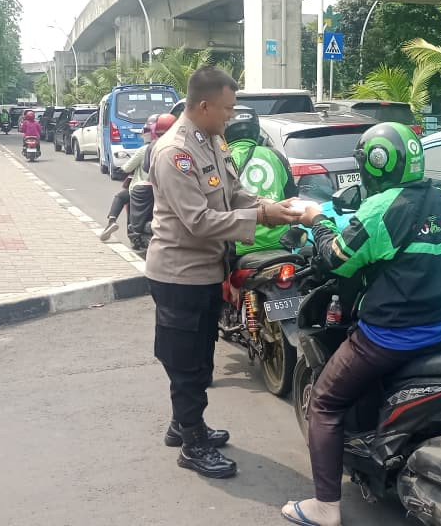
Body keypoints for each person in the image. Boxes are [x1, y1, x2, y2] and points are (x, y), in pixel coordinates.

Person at [282, 122, 441, 526]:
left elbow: (336, 257)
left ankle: (325, 507)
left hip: (388, 338)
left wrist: (317, 218)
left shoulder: (383, 207)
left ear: (375, 165)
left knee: (325, 403)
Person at [146, 66, 302, 479]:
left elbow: (233, 193)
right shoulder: (174, 153)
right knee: (187, 364)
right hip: (179, 274)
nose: (231, 117)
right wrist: (261, 216)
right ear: (203, 106)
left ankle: (186, 424)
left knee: (201, 355)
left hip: (205, 271)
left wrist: (273, 207)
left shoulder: (212, 140)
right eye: (227, 109)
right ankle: (191, 444)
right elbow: (199, 220)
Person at [225, 106, 299, 256]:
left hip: (239, 247)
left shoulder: (223, 159)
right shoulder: (275, 155)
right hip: (280, 242)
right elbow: (291, 194)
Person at [99, 113, 177, 243]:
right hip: (168, 190)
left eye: (146, 130)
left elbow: (127, 168)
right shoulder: (179, 148)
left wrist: (119, 169)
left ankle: (112, 221)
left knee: (120, 196)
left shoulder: (146, 149)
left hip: (143, 187)